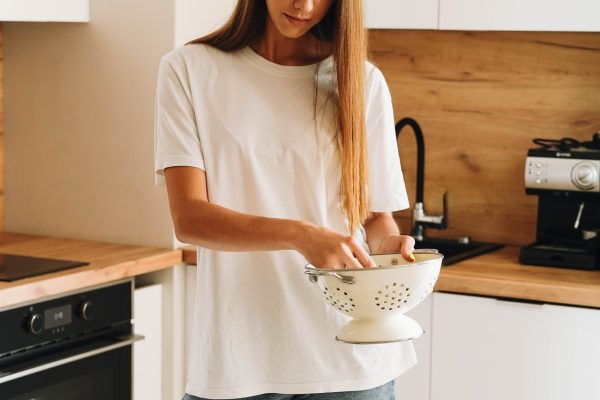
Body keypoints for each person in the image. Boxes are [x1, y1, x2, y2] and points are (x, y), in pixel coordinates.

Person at [154, 0, 417, 399]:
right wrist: (302, 235)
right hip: (239, 364)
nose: (304, 5)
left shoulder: (360, 82)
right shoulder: (189, 70)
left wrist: (387, 248)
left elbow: (375, 220)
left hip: (351, 365)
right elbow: (190, 219)